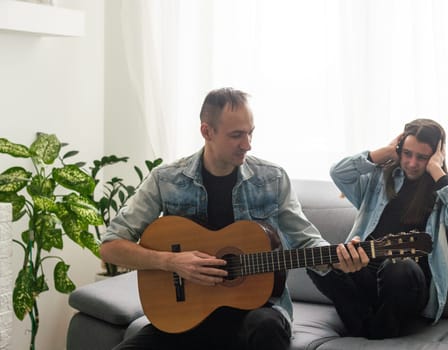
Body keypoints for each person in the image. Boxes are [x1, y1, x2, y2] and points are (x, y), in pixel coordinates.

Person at [99, 87, 363, 350]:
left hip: (257, 314)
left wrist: (339, 261)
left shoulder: (272, 179)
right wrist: (172, 261)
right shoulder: (166, 179)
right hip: (184, 318)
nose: (247, 144)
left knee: (266, 328)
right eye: (237, 135)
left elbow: (306, 242)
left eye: (250, 133)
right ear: (207, 131)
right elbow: (111, 246)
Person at [307, 118, 448, 339]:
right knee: (317, 261)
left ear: (435, 156)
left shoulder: (441, 190)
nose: (412, 163)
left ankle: (373, 329)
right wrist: (385, 152)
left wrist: (436, 169)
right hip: (364, 275)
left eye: (422, 157)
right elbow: (338, 172)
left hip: (406, 285)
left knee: (398, 267)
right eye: (407, 153)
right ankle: (370, 327)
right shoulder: (378, 180)